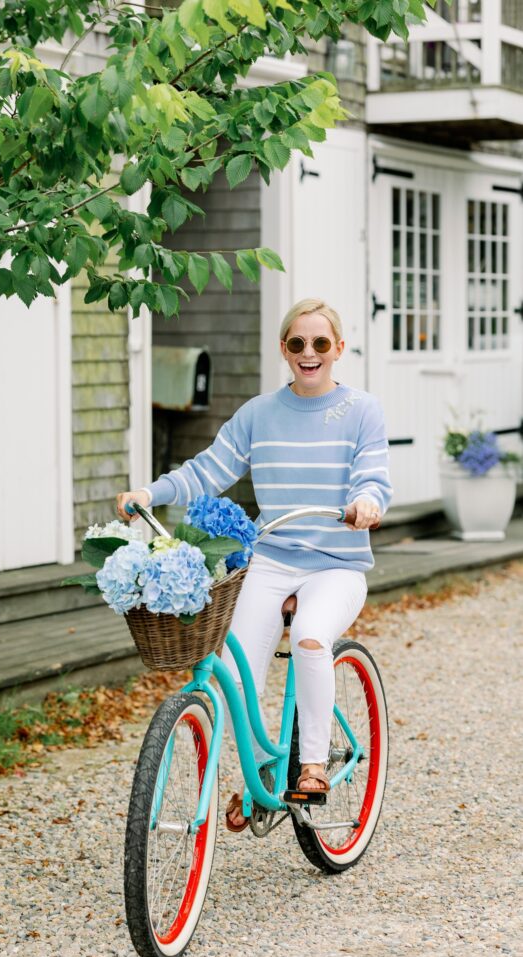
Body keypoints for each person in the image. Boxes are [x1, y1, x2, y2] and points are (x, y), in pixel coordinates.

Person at [116, 298, 392, 831]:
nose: (308, 354)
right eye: (296, 344)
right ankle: (257, 776)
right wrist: (151, 492)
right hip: (271, 560)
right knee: (237, 668)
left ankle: (311, 763)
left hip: (337, 563)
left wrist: (368, 504)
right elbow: (207, 470)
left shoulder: (361, 410)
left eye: (319, 344)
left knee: (311, 636)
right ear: (283, 350)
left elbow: (373, 474)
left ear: (338, 349)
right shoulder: (258, 414)